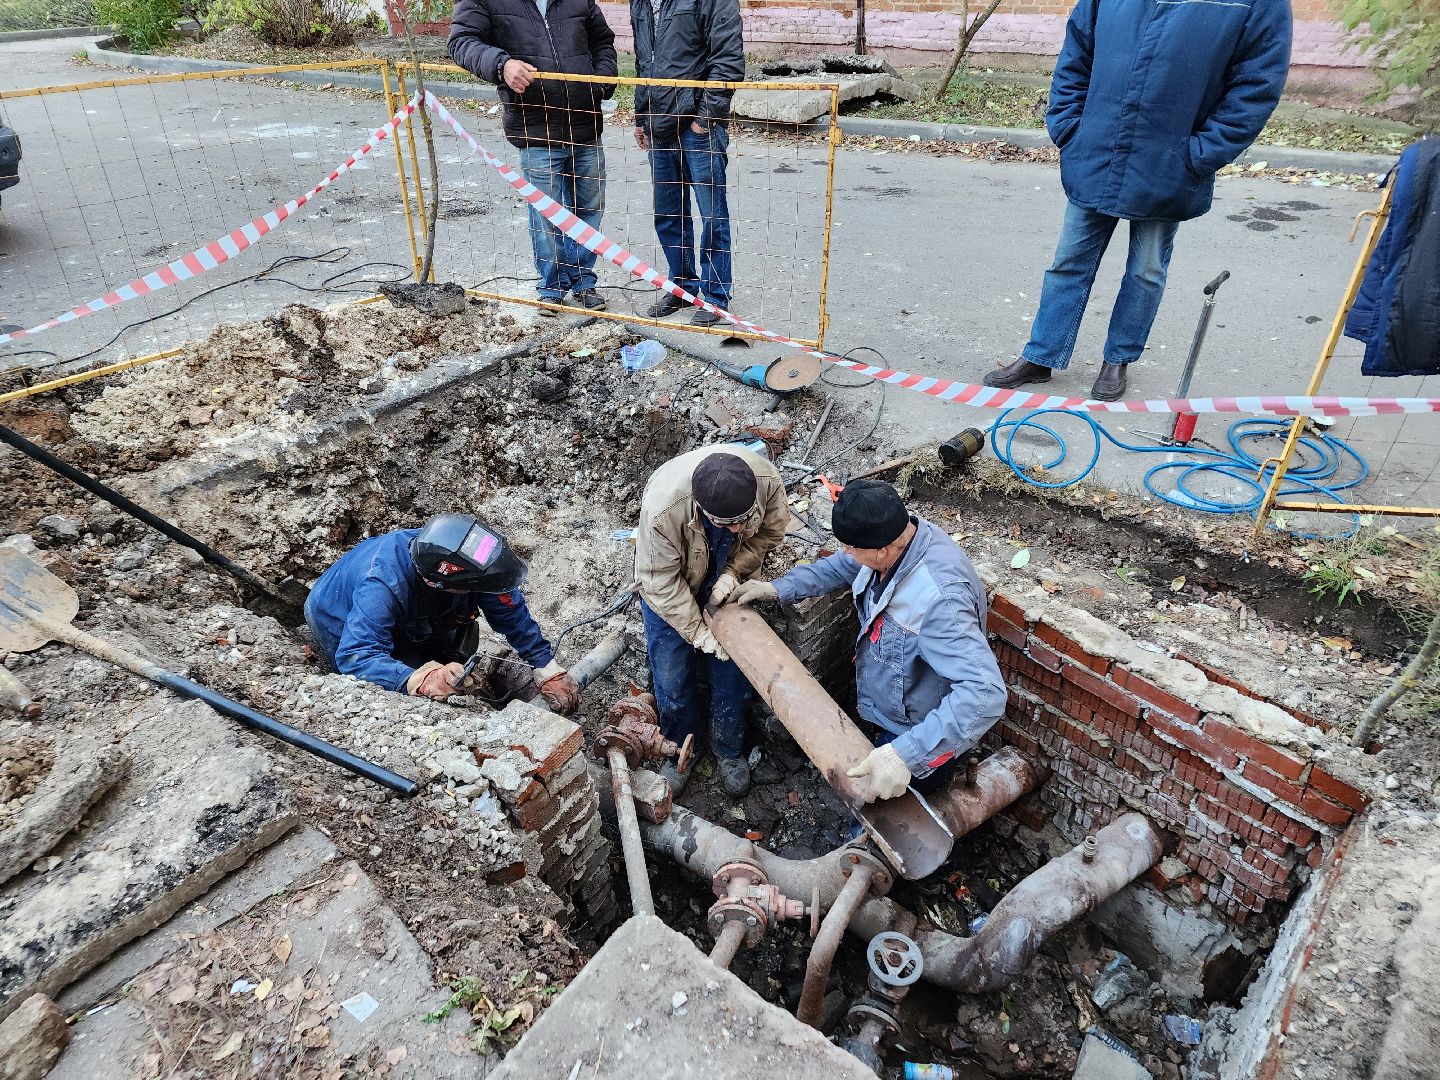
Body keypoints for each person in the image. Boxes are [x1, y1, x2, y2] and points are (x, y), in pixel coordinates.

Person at [983, 0, 1292, 402]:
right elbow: (1077, 52)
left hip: (1168, 164)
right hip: (1096, 150)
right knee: (1068, 263)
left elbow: (1256, 85)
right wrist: (1068, 126)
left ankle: (1118, 359)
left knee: (1146, 270)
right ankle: (1041, 355)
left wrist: (1198, 154)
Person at [721, 480, 1006, 804]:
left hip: (920, 731)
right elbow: (840, 566)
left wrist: (905, 755)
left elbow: (986, 693)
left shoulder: (939, 600)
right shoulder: (896, 535)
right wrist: (778, 589)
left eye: (852, 547)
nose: (846, 552)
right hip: (888, 705)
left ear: (881, 550)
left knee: (885, 818)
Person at [305, 514, 580, 713]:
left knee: (456, 644)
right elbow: (357, 655)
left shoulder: (466, 560)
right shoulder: (380, 587)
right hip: (335, 612)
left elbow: (507, 608)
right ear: (443, 583)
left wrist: (545, 664)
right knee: (412, 692)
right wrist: (421, 679)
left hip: (422, 602)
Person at [634, 445, 789, 795]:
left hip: (727, 568)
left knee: (734, 668)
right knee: (672, 677)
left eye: (742, 520)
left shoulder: (764, 480)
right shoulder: (664, 511)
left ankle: (728, 748)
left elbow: (772, 530)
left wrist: (734, 572)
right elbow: (659, 582)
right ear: (702, 510)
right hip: (671, 584)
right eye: (727, 523)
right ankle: (679, 750)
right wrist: (699, 634)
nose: (737, 528)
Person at [449, 0, 617, 313]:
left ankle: (583, 282)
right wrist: (501, 65)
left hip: (585, 126)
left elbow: (602, 41)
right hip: (535, 128)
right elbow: (461, 42)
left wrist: (602, 82)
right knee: (546, 215)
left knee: (588, 210)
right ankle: (551, 287)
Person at [630, 0, 744, 327]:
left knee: (712, 216)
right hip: (659, 125)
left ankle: (716, 297)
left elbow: (728, 60)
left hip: (698, 127)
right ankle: (681, 286)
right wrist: (642, 117)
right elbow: (643, 64)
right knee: (668, 214)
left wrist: (705, 120)